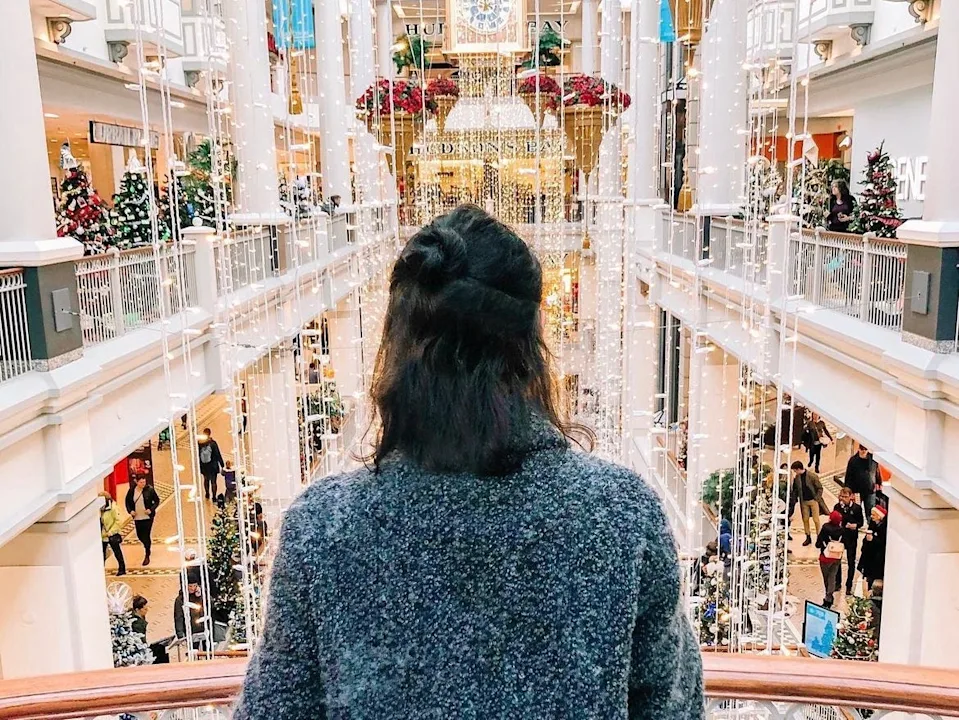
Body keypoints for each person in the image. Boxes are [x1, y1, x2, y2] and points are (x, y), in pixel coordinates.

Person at [234, 205, 704, 719]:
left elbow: (274, 708)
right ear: (529, 345)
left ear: (398, 344)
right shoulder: (620, 516)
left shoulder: (322, 528)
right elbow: (672, 706)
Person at [833, 487, 864, 594]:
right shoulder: (837, 507)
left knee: (851, 562)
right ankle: (838, 583)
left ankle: (849, 585)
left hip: (851, 538)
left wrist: (854, 525)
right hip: (840, 537)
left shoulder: (857, 508)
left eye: (845, 497)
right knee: (837, 561)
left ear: (851, 497)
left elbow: (861, 523)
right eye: (841, 496)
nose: (843, 499)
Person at [791, 460, 828, 546]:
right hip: (804, 501)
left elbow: (819, 488)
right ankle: (808, 537)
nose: (795, 472)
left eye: (795, 470)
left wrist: (817, 498)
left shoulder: (812, 476)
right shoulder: (797, 478)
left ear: (799, 469)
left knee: (816, 519)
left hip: (813, 500)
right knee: (805, 519)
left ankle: (819, 537)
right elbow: (796, 490)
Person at [125, 477, 159, 567]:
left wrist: (151, 509)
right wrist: (130, 511)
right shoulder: (132, 491)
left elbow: (156, 501)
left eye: (144, 482)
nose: (143, 484)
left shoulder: (150, 490)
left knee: (146, 534)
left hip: (147, 517)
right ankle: (146, 545)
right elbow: (127, 502)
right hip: (137, 517)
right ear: (137, 482)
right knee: (139, 535)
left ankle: (147, 553)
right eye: (141, 482)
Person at [816, 510, 846, 608]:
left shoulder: (825, 527)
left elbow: (818, 542)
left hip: (825, 557)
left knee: (826, 578)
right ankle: (829, 596)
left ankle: (828, 597)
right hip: (836, 557)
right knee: (832, 577)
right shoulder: (841, 530)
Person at [858, 504, 888, 591]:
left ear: (879, 516)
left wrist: (873, 539)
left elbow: (883, 542)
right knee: (868, 578)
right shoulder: (872, 524)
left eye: (873, 515)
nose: (871, 516)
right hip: (869, 555)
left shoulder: (884, 527)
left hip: (877, 558)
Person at [132, 595, 170, 664]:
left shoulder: (140, 618)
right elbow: (140, 640)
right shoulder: (137, 624)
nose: (147, 611)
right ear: (137, 610)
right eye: (145, 609)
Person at [845, 444, 879, 518]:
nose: (863, 451)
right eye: (862, 449)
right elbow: (848, 476)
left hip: (870, 490)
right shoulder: (853, 460)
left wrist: (878, 483)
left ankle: (870, 527)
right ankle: (857, 525)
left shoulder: (873, 460)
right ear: (859, 449)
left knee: (870, 511)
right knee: (856, 510)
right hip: (857, 491)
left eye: (865, 449)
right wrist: (848, 490)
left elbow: (876, 472)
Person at [99, 492, 126, 576]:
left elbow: (118, 521)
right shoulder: (101, 509)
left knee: (117, 551)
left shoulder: (113, 508)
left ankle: (122, 568)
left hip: (112, 534)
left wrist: (111, 532)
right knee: (102, 552)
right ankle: (101, 569)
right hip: (104, 535)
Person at [198, 427, 224, 500]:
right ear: (209, 434)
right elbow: (217, 454)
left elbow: (198, 454)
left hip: (204, 466)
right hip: (213, 465)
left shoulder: (200, 443)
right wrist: (222, 464)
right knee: (213, 481)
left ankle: (207, 493)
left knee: (206, 479)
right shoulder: (213, 443)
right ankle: (214, 497)